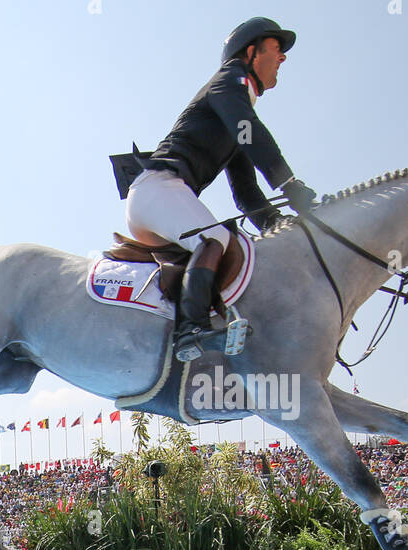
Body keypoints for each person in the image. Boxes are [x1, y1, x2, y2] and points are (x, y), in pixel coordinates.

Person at [125, 17, 317, 362]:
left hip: (166, 194)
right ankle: (190, 333)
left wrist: (277, 224)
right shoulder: (230, 82)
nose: (283, 58)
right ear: (251, 52)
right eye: (277, 48)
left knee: (230, 244)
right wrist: (290, 185)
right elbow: (253, 133)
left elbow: (245, 191)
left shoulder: (235, 114)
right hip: (156, 189)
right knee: (214, 239)